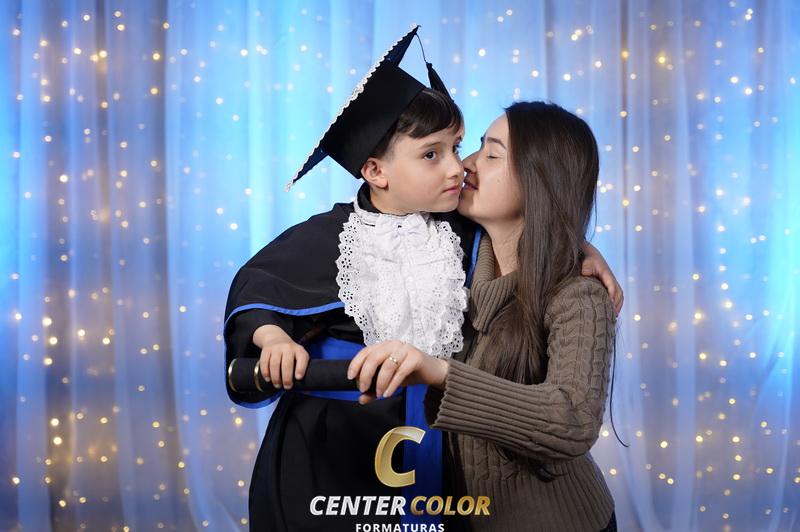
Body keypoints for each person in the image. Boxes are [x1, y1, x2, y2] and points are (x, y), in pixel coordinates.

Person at [349, 101, 619, 531]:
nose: (464, 165)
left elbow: (572, 421)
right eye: (473, 148)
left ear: (539, 181)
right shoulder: (446, 259)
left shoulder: (579, 295)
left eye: (492, 155)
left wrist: (441, 374)